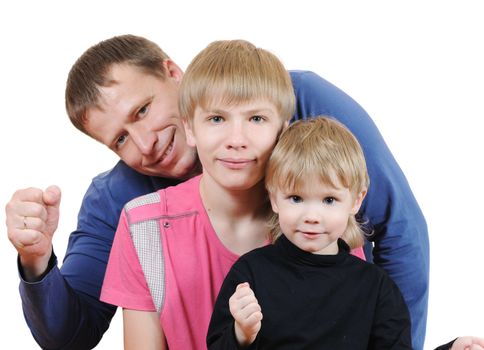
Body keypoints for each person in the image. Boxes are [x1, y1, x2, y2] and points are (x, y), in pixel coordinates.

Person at [5, 35, 428, 349]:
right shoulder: (124, 206)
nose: (145, 142)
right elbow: (69, 334)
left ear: (173, 74)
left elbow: (397, 226)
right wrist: (36, 261)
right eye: (120, 139)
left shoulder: (304, 103)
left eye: (143, 110)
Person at [100, 39, 365, 350]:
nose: (236, 140)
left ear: (283, 130)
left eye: (256, 119)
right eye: (216, 119)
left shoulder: (322, 218)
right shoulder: (142, 225)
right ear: (190, 129)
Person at [207, 116, 412, 349]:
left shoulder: (376, 288)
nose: (312, 216)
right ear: (274, 198)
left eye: (329, 200)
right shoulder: (251, 274)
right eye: (296, 198)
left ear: (356, 200)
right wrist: (241, 334)